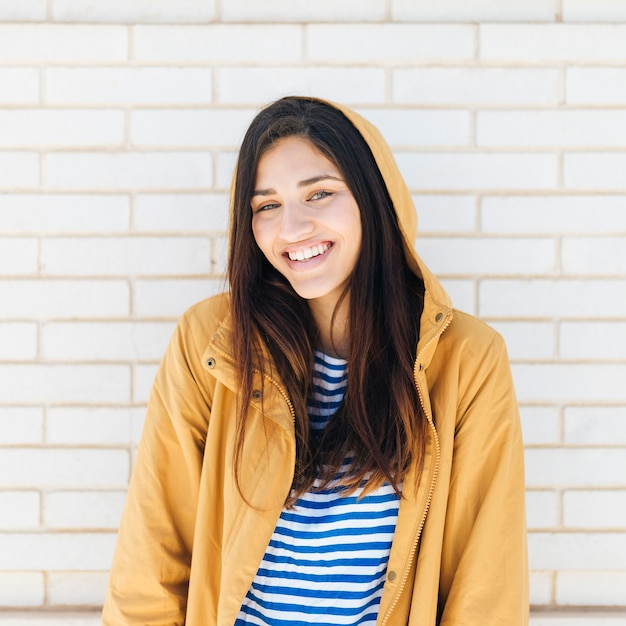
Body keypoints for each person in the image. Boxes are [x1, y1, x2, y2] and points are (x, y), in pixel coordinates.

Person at [102, 96, 528, 625]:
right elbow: (152, 555)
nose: (292, 227)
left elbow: (486, 585)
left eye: (319, 194)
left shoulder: (466, 359)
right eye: (266, 206)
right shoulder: (211, 342)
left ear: (374, 198)